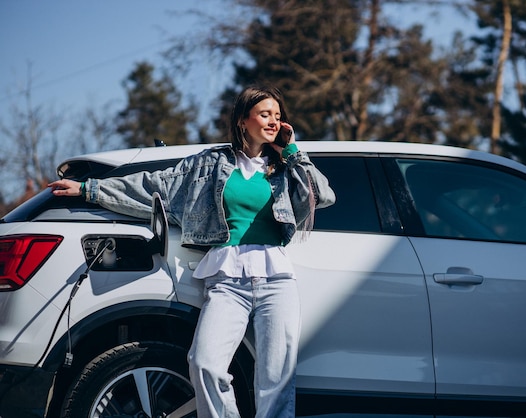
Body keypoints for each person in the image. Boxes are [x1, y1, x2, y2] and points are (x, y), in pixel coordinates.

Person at [48, 85, 336, 418]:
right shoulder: (211, 164)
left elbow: (322, 194)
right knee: (204, 364)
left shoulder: (284, 168)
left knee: (277, 377)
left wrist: (292, 151)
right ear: (243, 120)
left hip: (277, 281)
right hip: (228, 280)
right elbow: (156, 186)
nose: (273, 121)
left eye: (277, 115)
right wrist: (89, 188)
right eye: (264, 114)